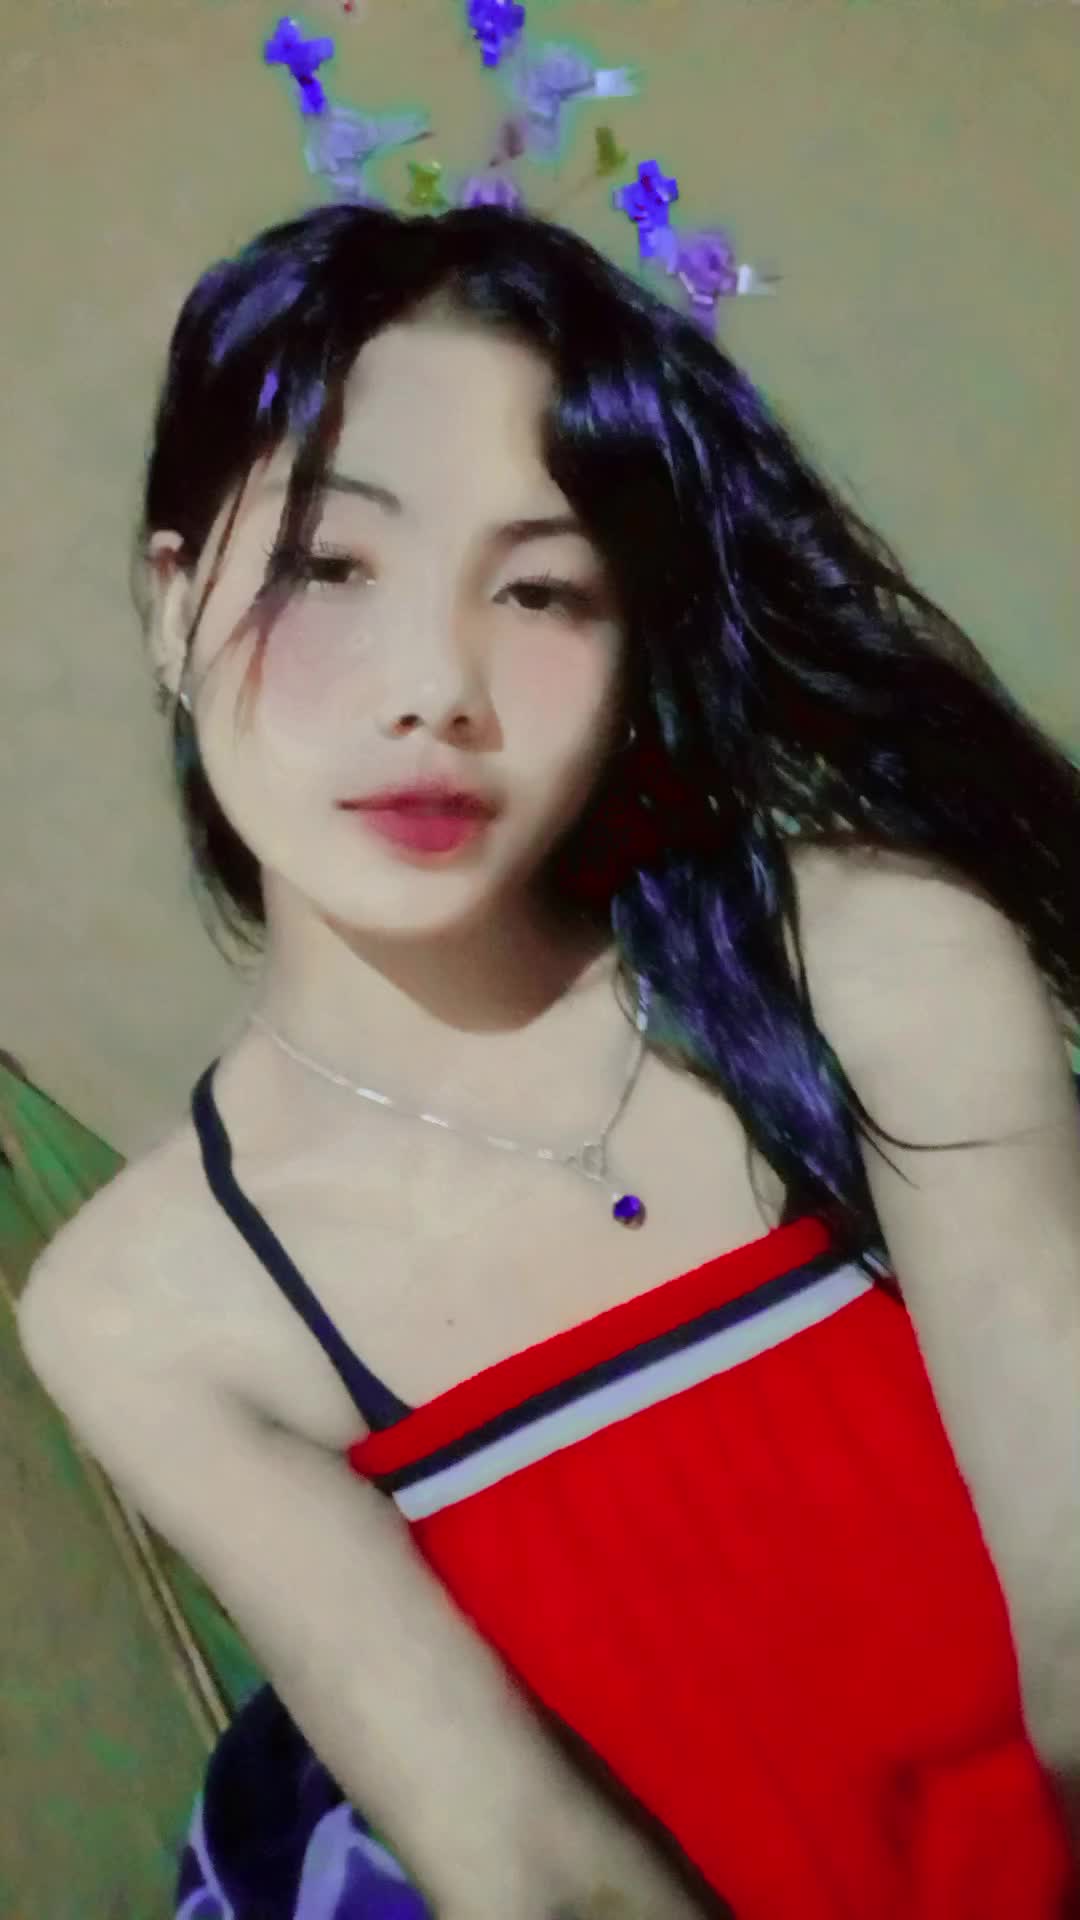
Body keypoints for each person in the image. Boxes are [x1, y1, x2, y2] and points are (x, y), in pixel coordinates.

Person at [17, 202, 1080, 1920]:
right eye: (330, 567)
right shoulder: (144, 1310)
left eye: (540, 588)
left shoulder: (870, 965)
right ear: (172, 602)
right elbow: (540, 1879)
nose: (436, 687)